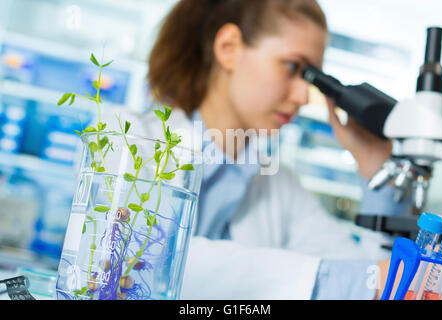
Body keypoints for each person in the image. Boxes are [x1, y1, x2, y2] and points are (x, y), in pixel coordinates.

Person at [104, 0, 411, 299]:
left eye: (311, 78)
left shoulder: (279, 185)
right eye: (293, 66)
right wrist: (321, 281)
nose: (304, 95)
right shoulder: (126, 137)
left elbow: (366, 276)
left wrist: (377, 171)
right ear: (229, 49)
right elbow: (142, 263)